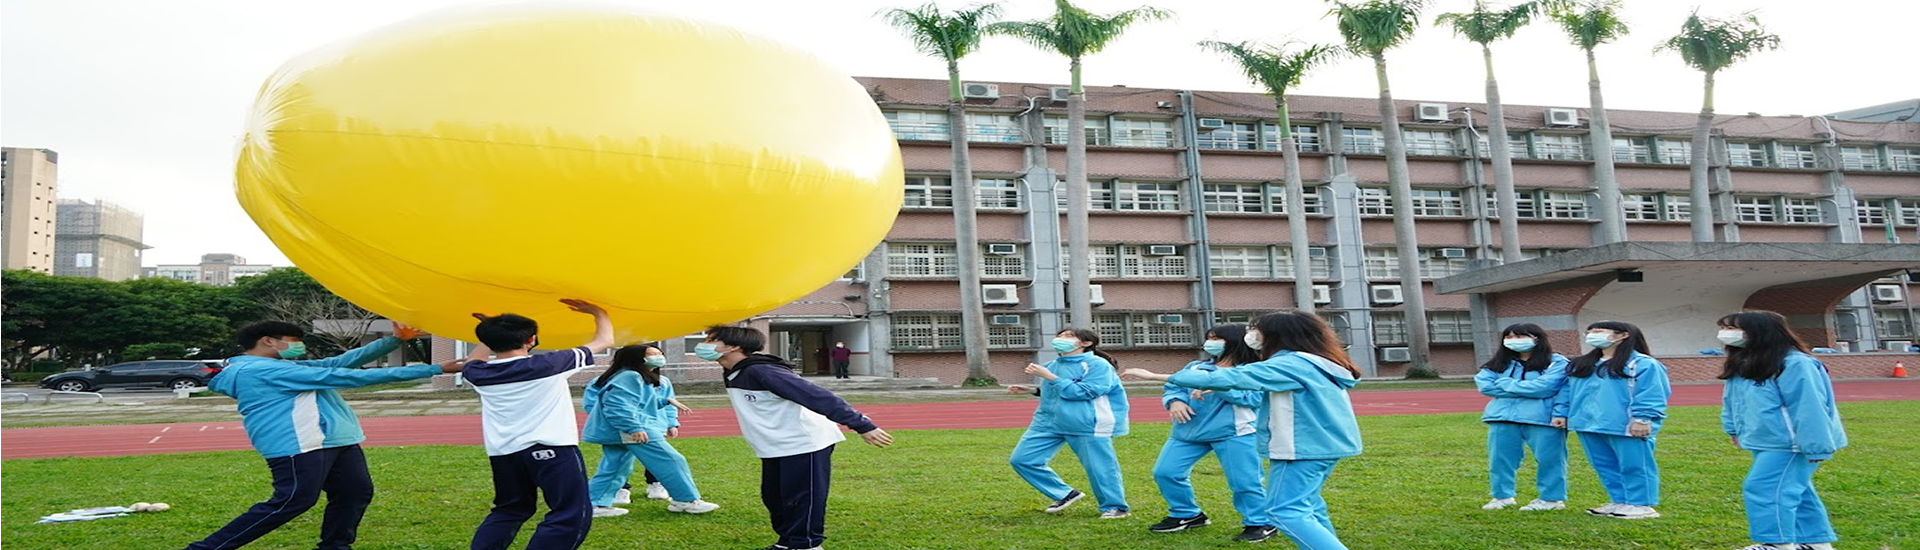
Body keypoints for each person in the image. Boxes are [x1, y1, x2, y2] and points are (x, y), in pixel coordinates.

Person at [181, 321, 461, 550]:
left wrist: (393, 340)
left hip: (336, 439)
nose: (298, 346)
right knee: (292, 501)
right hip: (298, 443)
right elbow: (346, 376)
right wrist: (435, 369)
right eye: (293, 340)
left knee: (354, 493)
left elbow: (337, 363)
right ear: (268, 341)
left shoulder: (284, 366)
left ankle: (335, 546)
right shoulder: (258, 370)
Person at [1124, 310, 1362, 550]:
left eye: (1255, 329)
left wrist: (1153, 375)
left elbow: (1235, 379)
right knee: (1309, 508)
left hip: (1301, 448)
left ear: (1276, 335)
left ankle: (1259, 523)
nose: (1251, 334)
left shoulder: (1289, 364)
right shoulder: (1312, 361)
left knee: (1285, 511)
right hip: (1319, 446)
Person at [705, 325, 893, 550]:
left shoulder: (762, 371)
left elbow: (817, 396)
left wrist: (862, 425)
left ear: (733, 346)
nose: (704, 345)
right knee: (775, 498)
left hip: (805, 442)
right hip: (775, 445)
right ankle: (787, 543)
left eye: (710, 340)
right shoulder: (734, 371)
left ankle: (807, 545)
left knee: (802, 498)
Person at [464, 299, 616, 550]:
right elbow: (605, 340)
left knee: (510, 509)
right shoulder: (549, 364)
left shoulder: (478, 374)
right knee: (570, 512)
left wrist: (491, 330)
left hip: (504, 453)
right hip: (551, 449)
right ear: (532, 340)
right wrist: (598, 312)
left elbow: (473, 359)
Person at [1717, 311, 1847, 550]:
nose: (1726, 334)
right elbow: (1732, 400)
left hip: (1791, 443)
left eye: (1732, 328)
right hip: (1766, 440)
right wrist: (1733, 429)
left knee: (1764, 488)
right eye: (1724, 328)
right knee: (1797, 491)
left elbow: (1810, 407)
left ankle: (1777, 544)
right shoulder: (1745, 362)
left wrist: (1816, 445)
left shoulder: (1796, 363)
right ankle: (1816, 543)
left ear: (1760, 331)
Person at [1143, 324, 1275, 542]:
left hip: (1235, 433)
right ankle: (1186, 514)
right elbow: (1174, 387)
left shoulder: (1250, 370)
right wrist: (1175, 401)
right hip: (1188, 432)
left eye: (1217, 338)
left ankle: (1260, 522)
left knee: (1244, 481)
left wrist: (1222, 387)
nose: (1210, 343)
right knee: (1166, 472)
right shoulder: (1195, 367)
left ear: (1233, 342)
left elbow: (1254, 400)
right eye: (1209, 338)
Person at [1007, 328, 1132, 519]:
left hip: (1087, 423)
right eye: (1060, 335)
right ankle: (1064, 494)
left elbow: (1085, 392)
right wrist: (1032, 390)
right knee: (1022, 460)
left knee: (1099, 467)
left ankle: (1115, 506)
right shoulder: (1052, 365)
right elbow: (1057, 391)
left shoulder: (1098, 365)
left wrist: (1050, 377)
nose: (1060, 339)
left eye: (1068, 336)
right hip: (1048, 423)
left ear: (1086, 343)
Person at [1553, 320, 1670, 520]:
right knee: (1604, 464)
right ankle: (1620, 500)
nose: (1592, 335)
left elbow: (1652, 392)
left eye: (1599, 331)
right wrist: (1561, 412)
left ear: (1623, 335)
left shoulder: (1642, 363)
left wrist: (1642, 419)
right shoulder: (1583, 364)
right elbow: (1567, 390)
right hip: (1588, 424)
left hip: (1624, 424)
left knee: (1635, 464)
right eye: (1590, 331)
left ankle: (1641, 503)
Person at [583, 344, 717, 517]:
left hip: (621, 429)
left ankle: (594, 504)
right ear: (638, 358)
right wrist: (633, 428)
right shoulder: (630, 376)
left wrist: (666, 401)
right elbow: (618, 405)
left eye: (659, 353)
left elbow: (639, 402)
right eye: (653, 354)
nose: (659, 356)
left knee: (615, 467)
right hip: (632, 429)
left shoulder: (633, 376)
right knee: (671, 460)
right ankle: (686, 500)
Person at [1473, 323, 1572, 512]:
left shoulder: (1557, 362)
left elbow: (1546, 387)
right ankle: (1502, 496)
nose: (1514, 341)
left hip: (1542, 418)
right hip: (1502, 417)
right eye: (1509, 337)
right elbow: (1485, 386)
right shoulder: (1499, 363)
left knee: (1550, 459)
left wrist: (1506, 384)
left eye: (1520, 337)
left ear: (1537, 338)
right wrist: (1528, 388)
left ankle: (1551, 499)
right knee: (1500, 459)